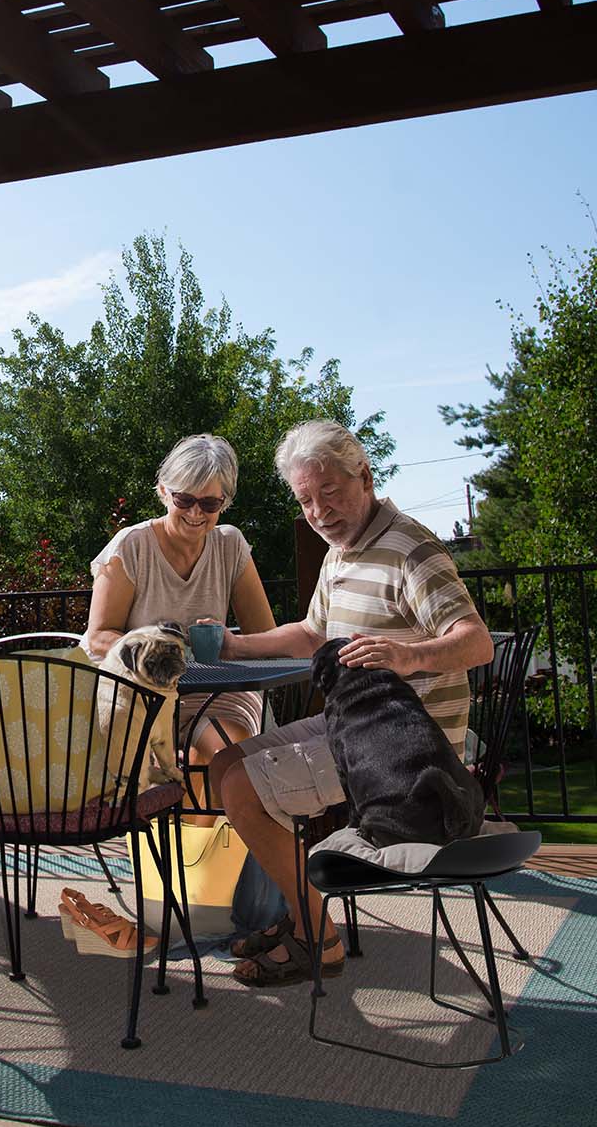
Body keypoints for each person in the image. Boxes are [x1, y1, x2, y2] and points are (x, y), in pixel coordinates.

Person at [210, 419, 493, 988]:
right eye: (306, 499)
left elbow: (477, 642)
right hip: (352, 728)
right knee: (223, 766)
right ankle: (300, 911)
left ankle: (317, 938)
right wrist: (232, 642)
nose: (319, 511)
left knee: (242, 786)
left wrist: (407, 656)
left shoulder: (411, 549)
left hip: (406, 753)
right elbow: (314, 635)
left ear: (363, 475)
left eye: (330, 493)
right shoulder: (340, 552)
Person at [80, 433, 279, 812]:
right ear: (162, 491)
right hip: (146, 692)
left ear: (225, 502)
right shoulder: (132, 546)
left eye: (209, 503)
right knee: (191, 763)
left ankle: (209, 851)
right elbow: (98, 637)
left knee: (228, 752)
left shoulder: (230, 545)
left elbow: (264, 637)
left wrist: (229, 643)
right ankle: (194, 849)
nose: (195, 513)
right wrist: (159, 648)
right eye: (184, 499)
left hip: (216, 689)